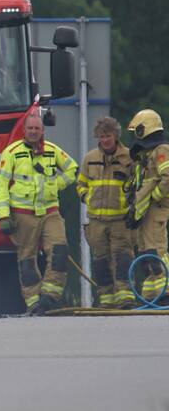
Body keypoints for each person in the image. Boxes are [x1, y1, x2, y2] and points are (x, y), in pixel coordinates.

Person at [0, 111, 78, 314]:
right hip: (23, 214)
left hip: (50, 212)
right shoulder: (12, 153)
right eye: (30, 128)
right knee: (27, 259)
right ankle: (34, 302)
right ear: (24, 130)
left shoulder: (52, 151)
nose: (33, 132)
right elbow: (2, 186)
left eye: (37, 129)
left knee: (59, 252)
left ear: (43, 130)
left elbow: (73, 170)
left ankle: (49, 296)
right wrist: (4, 216)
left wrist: (57, 184)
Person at [76, 117, 134, 308]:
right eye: (101, 136)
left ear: (116, 136)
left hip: (120, 219)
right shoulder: (90, 158)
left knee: (122, 258)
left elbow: (137, 184)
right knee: (100, 259)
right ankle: (106, 298)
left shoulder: (128, 157)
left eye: (108, 136)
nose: (105, 140)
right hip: (96, 220)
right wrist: (86, 196)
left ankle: (124, 295)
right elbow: (81, 183)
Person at [124, 109, 169, 303]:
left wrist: (154, 197)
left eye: (139, 129)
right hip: (146, 209)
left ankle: (165, 290)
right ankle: (152, 293)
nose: (136, 134)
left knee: (156, 250)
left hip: (156, 208)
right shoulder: (147, 153)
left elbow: (167, 178)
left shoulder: (162, 150)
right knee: (144, 251)